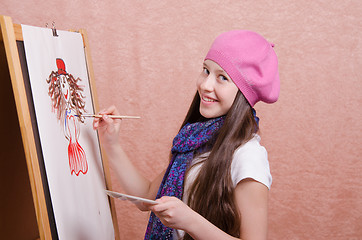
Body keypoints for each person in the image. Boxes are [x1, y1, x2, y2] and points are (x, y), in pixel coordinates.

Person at [93, 30, 280, 240]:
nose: (206, 85)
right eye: (205, 71)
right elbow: (147, 197)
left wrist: (189, 220)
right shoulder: (195, 141)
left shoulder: (248, 155)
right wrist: (112, 144)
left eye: (222, 78)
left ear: (245, 93)